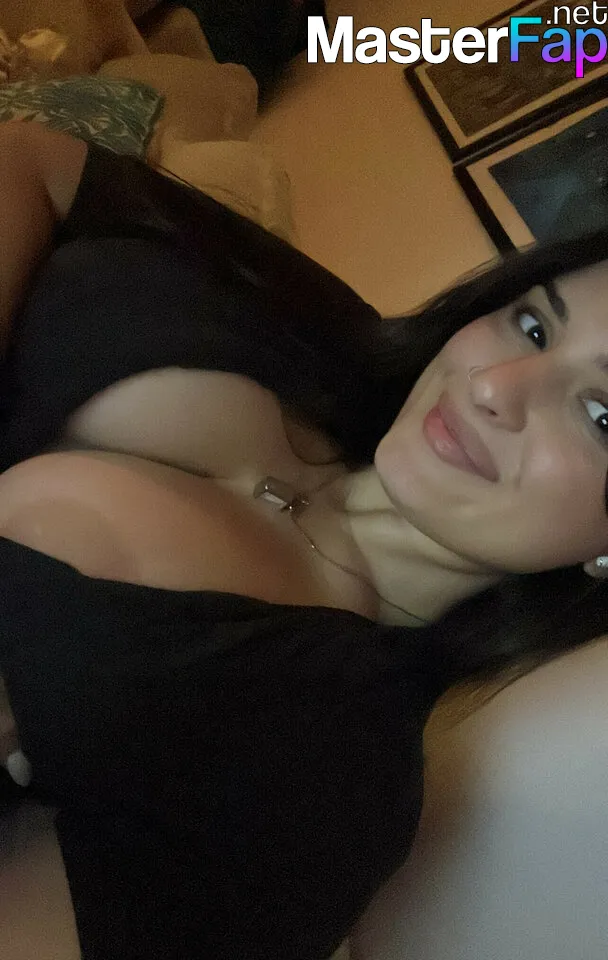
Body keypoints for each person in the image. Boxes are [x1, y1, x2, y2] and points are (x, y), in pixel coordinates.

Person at [0, 120, 608, 958]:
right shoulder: (327, 328)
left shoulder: (328, 770)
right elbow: (37, 160)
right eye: (534, 327)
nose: (495, 388)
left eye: (600, 416)